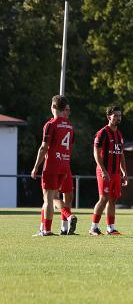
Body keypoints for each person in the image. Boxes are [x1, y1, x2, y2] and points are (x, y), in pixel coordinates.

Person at [31, 95, 75, 236]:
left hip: (52, 164)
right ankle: (46, 226)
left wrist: (36, 166)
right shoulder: (70, 126)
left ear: (54, 107)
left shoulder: (51, 124)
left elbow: (44, 147)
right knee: (54, 197)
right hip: (65, 164)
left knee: (48, 198)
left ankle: (47, 230)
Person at [90, 105, 128, 235]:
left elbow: (121, 154)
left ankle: (110, 228)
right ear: (108, 117)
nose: (118, 118)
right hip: (104, 171)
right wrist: (103, 170)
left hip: (115, 172)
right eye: (115, 115)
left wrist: (124, 172)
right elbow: (96, 153)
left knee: (113, 199)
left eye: (120, 115)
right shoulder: (103, 133)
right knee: (104, 198)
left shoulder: (119, 134)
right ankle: (93, 227)